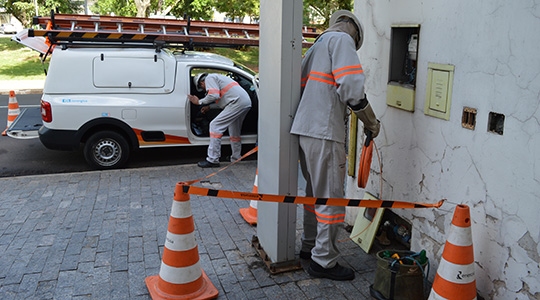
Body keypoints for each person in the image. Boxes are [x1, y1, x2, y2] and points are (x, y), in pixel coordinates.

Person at [290, 10, 381, 281]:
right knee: (331, 197)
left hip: (305, 130)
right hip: (325, 131)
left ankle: (310, 246)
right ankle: (325, 261)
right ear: (354, 32)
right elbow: (352, 88)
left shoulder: (316, 47)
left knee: (313, 194)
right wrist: (371, 122)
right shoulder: (341, 41)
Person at [188, 73, 252, 168]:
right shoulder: (218, 79)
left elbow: (214, 96)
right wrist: (209, 107)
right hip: (243, 102)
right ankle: (236, 157)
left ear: (202, 83)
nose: (205, 90)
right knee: (234, 131)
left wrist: (199, 102)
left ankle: (213, 159)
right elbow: (224, 100)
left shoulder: (209, 78)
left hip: (236, 103)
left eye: (203, 88)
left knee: (215, 126)